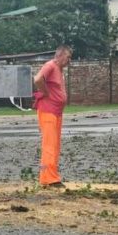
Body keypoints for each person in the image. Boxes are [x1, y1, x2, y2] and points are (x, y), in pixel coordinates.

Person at [33, 45, 72, 188]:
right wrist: (45, 92)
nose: (69, 60)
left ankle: (47, 178)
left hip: (56, 112)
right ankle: (51, 179)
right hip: (48, 111)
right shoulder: (50, 65)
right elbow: (37, 79)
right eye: (68, 57)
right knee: (49, 145)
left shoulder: (59, 70)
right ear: (59, 55)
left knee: (54, 145)